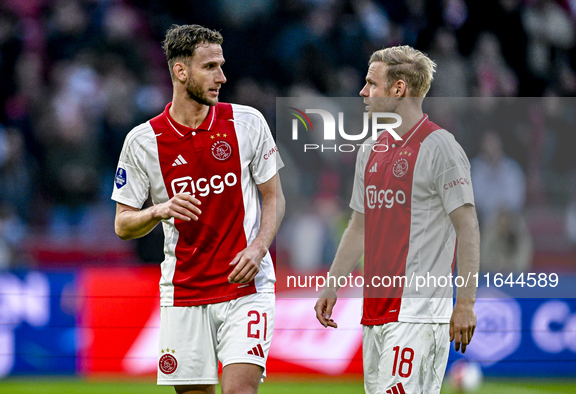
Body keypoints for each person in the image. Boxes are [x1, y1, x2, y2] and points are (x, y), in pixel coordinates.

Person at [112, 24, 284, 394]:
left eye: (221, 65)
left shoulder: (247, 123)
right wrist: (159, 210)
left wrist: (258, 248)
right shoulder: (143, 141)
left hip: (246, 286)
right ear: (180, 71)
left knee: (240, 390)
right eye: (210, 67)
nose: (222, 76)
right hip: (184, 291)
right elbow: (123, 225)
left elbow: (274, 197)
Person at [314, 46, 480, 394]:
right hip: (374, 312)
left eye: (371, 83)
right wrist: (333, 283)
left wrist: (464, 303)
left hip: (418, 313)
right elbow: (359, 226)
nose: (363, 92)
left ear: (399, 89)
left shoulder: (441, 147)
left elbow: (467, 228)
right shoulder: (369, 149)